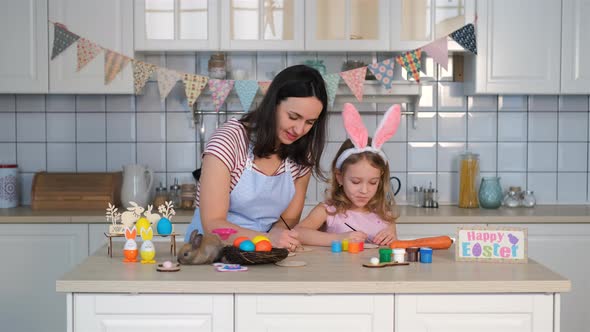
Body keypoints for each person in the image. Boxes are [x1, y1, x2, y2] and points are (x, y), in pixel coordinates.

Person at [184, 65, 328, 251]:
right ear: (273, 104)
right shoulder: (229, 140)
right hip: (210, 253)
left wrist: (277, 234)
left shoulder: (301, 153)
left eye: (310, 122)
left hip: (263, 253)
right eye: (293, 117)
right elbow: (213, 224)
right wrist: (267, 239)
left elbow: (289, 218)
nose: (299, 130)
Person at [295, 103, 401, 247]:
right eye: (356, 182)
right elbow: (298, 233)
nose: (364, 190)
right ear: (339, 177)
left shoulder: (384, 215)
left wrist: (390, 237)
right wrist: (338, 239)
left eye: (373, 182)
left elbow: (392, 247)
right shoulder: (328, 211)